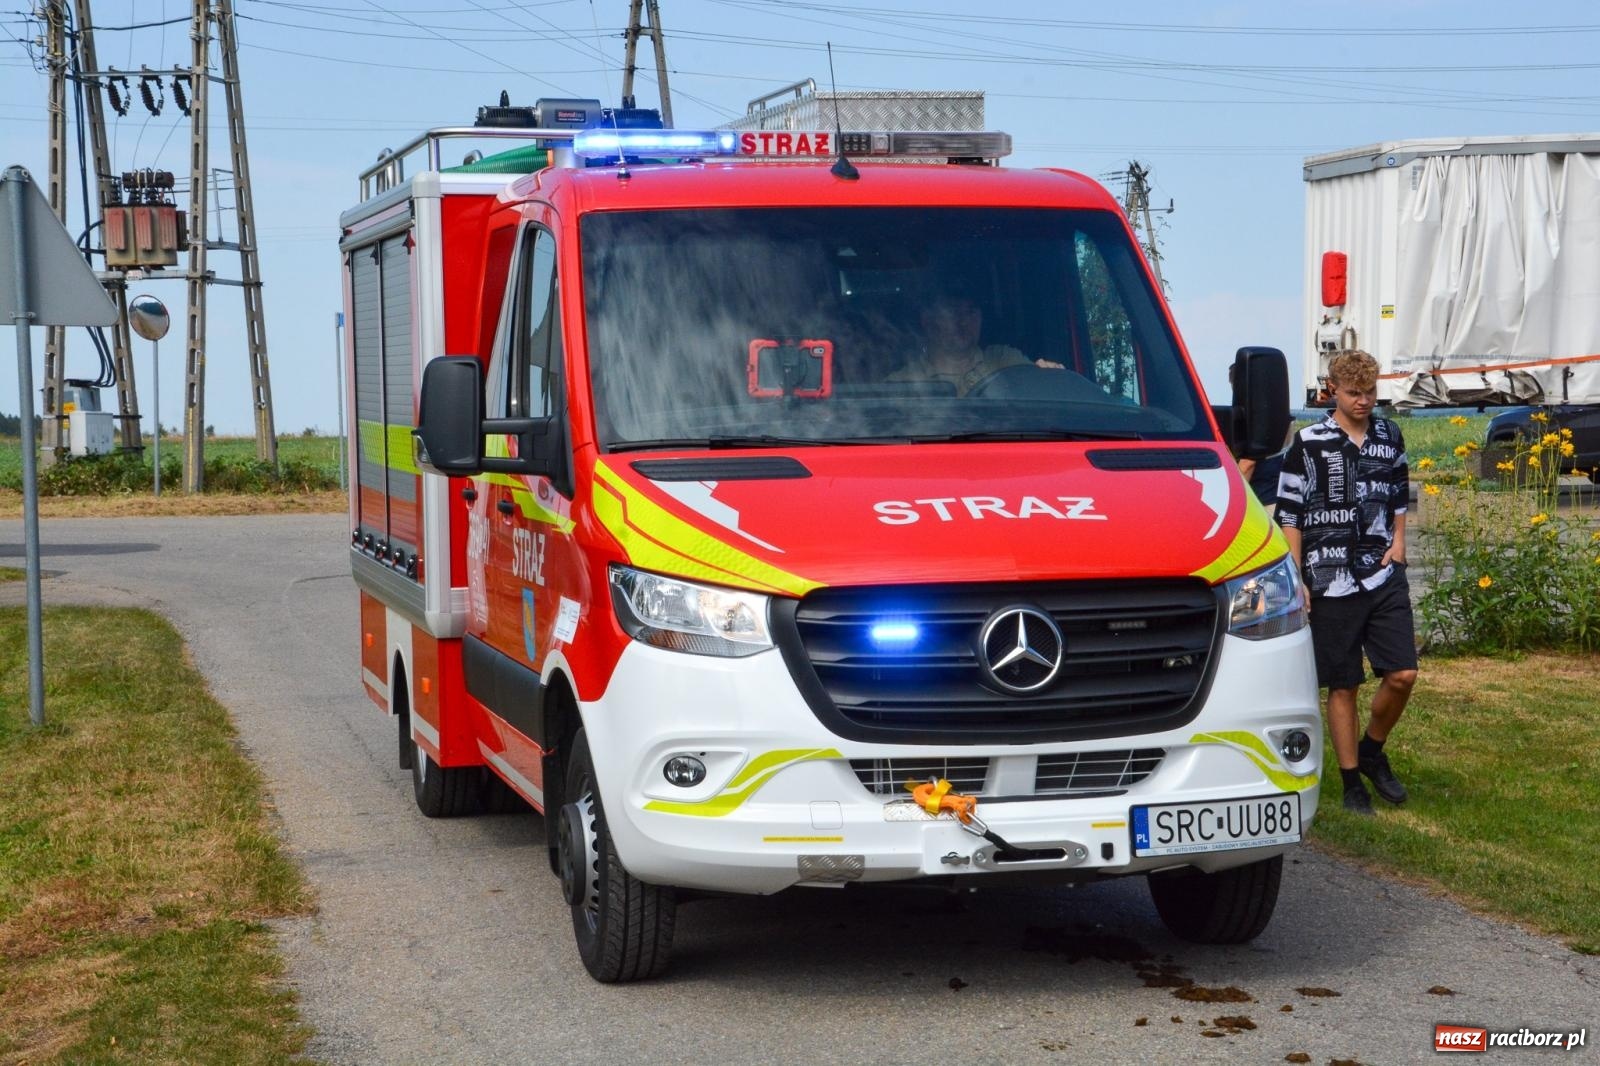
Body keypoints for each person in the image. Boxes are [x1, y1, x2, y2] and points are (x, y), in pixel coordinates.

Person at [1275, 350, 1417, 816]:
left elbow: (1399, 491)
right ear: (1332, 390)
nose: (1364, 401)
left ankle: (1373, 751)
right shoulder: (1308, 442)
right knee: (1343, 684)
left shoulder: (1387, 434)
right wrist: (1298, 576)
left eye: (1371, 392)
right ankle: (1351, 779)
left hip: (1381, 572)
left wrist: (1399, 542)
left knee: (1402, 674)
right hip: (1329, 576)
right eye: (1355, 393)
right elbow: (1290, 512)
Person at [887, 294, 1061, 395]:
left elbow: (1040, 392)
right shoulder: (902, 383)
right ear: (927, 320)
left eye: (971, 311)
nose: (963, 321)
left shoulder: (1003, 360)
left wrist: (1049, 378)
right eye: (952, 311)